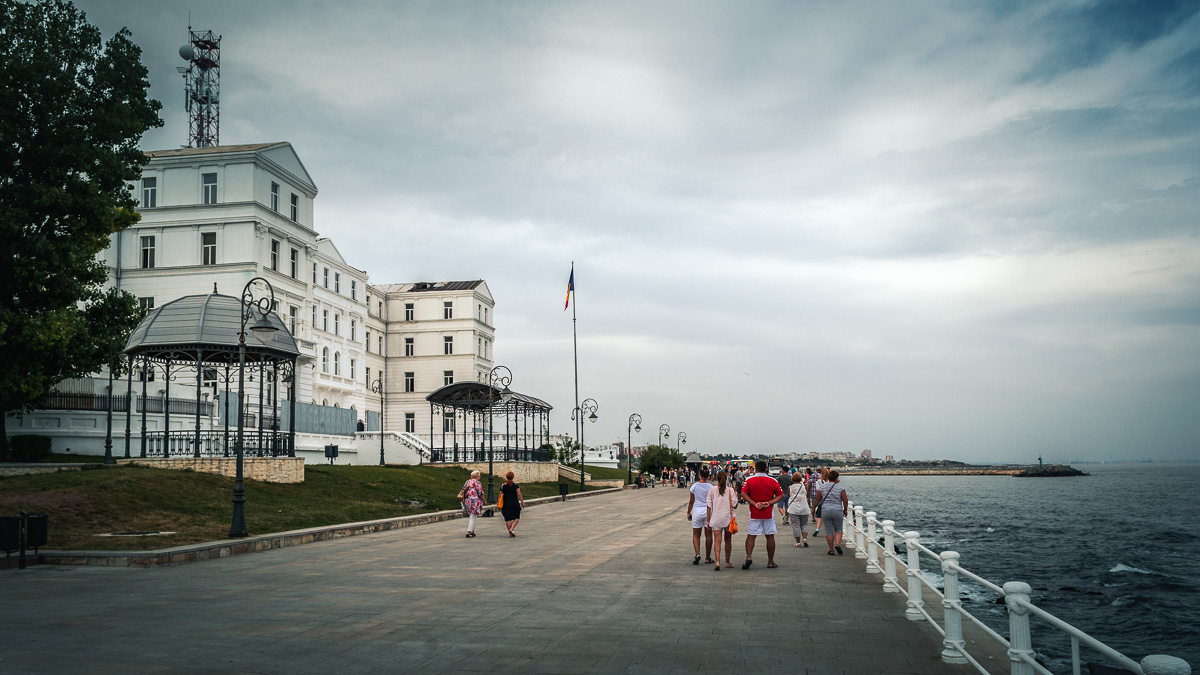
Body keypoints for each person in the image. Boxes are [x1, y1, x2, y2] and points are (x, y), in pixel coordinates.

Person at [740, 460, 784, 569]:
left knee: (751, 535)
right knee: (770, 536)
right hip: (768, 512)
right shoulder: (773, 480)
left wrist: (754, 504)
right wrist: (769, 502)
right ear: (766, 469)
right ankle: (770, 561)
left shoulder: (749, 480)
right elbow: (780, 495)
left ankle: (749, 557)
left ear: (755, 468)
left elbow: (743, 493)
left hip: (754, 512)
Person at [705, 470, 738, 570]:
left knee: (717, 541)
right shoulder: (730, 490)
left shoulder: (712, 490)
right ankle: (727, 562)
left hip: (716, 518)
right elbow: (735, 505)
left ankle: (718, 562)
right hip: (727, 519)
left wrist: (708, 520)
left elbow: (708, 506)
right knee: (728, 541)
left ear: (717, 479)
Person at [814, 469, 849, 555]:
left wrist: (813, 508)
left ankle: (831, 550)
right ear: (837, 478)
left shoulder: (822, 487)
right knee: (838, 529)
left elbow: (818, 499)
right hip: (837, 510)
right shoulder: (841, 488)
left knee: (829, 531)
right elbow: (845, 500)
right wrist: (845, 510)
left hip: (825, 510)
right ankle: (837, 544)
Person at [686, 467, 714, 565]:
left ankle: (697, 554)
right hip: (708, 511)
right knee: (708, 535)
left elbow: (691, 501)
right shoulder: (711, 487)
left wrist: (688, 512)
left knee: (696, 535)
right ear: (708, 476)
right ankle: (708, 557)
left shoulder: (694, 486)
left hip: (697, 511)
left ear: (700, 475)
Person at [786, 473, 811, 547]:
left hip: (793, 509)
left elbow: (788, 495)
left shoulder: (790, 487)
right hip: (804, 508)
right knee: (804, 524)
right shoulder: (804, 487)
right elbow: (807, 495)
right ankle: (805, 539)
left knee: (795, 526)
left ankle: (798, 543)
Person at [460, 470, 486, 538]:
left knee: (473, 516)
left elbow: (463, 490)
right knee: (473, 516)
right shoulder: (477, 483)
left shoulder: (467, 482)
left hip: (467, 500)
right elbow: (481, 493)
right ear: (477, 476)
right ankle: (469, 532)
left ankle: (472, 530)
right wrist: (485, 501)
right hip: (475, 501)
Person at [499, 471, 525, 537]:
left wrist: (498, 503)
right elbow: (519, 494)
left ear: (506, 477)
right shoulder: (515, 485)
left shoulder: (503, 486)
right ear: (513, 477)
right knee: (516, 517)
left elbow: (500, 495)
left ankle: (510, 532)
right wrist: (522, 502)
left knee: (508, 519)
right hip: (514, 503)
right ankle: (512, 528)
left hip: (506, 504)